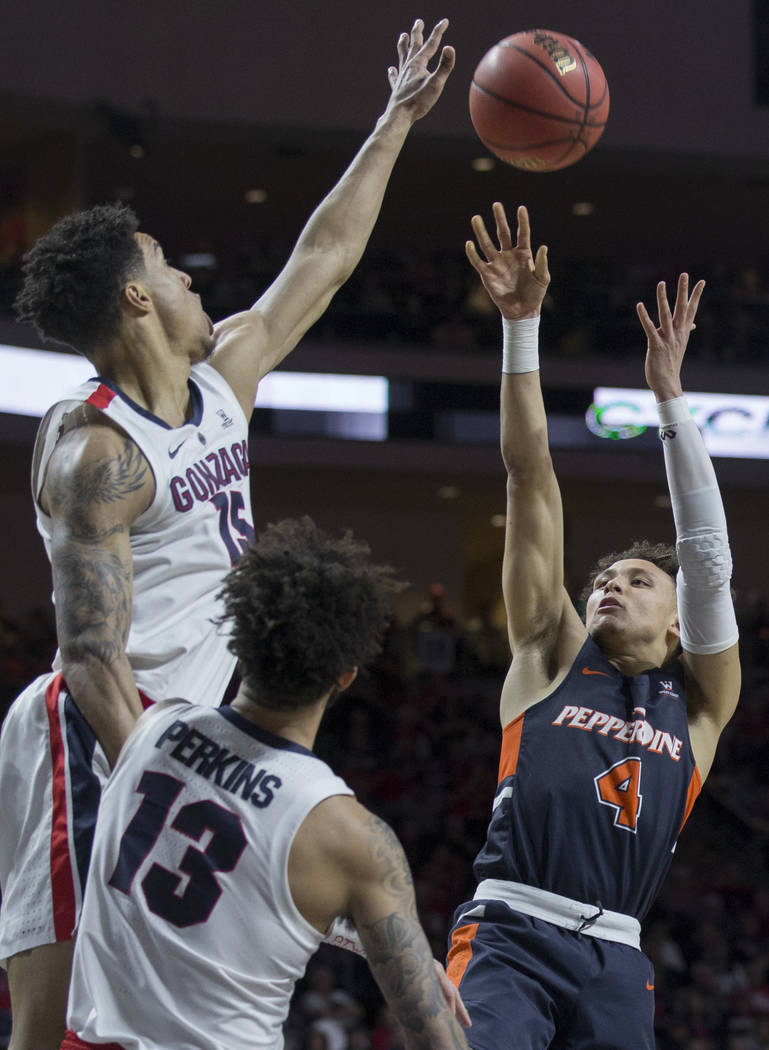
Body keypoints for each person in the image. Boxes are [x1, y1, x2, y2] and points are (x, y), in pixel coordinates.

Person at [0, 19, 455, 1049]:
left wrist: (390, 121)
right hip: (101, 733)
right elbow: (91, 660)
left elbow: (324, 259)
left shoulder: (221, 383)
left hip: (195, 738)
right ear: (134, 298)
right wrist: (170, 778)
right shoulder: (98, 457)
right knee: (56, 1025)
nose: (194, 276)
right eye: (168, 265)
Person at [445, 203, 741, 1049]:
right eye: (603, 578)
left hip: (616, 956)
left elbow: (707, 556)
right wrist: (521, 328)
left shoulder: (701, 707)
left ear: (680, 623)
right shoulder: (549, 653)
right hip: (508, 934)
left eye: (637, 580)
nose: (610, 585)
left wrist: (671, 402)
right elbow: (527, 473)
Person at [60, 516, 470, 1050]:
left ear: (239, 639)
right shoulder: (351, 837)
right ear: (346, 673)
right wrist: (399, 950)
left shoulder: (150, 729)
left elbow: (86, 644)